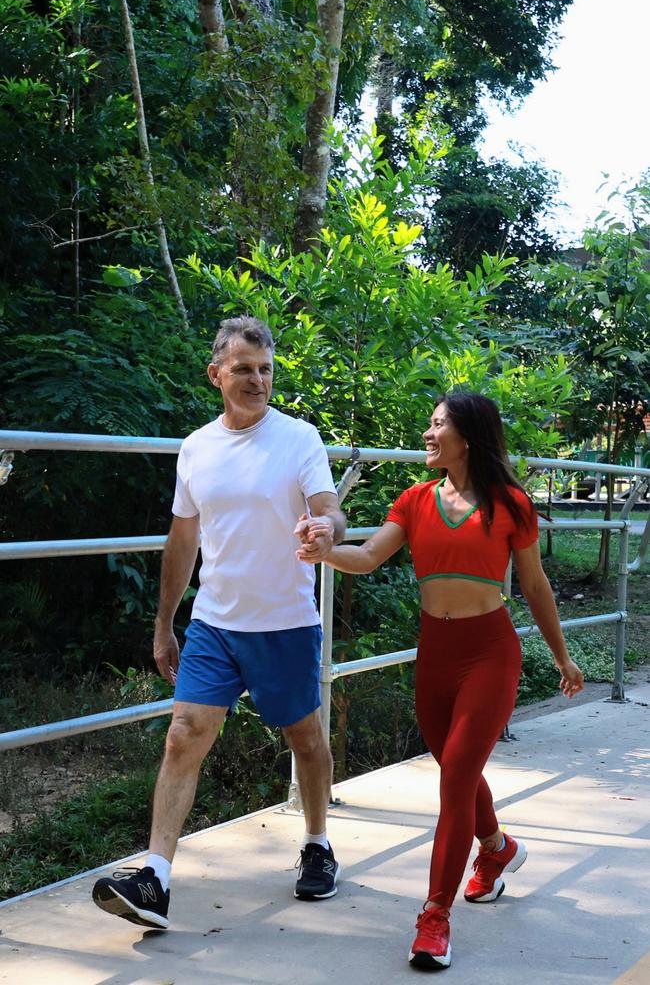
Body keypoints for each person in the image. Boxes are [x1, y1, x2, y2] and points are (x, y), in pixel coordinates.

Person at [297, 391, 584, 971]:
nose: (427, 435)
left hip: (489, 652)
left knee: (456, 776)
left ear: (467, 437)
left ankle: (434, 917)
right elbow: (371, 555)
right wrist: (327, 549)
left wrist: (563, 658)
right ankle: (497, 850)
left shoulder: (510, 505)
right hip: (436, 654)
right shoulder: (415, 499)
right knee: (456, 767)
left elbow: (534, 587)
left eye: (435, 426)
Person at [93, 315, 346, 930]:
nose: (257, 380)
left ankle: (317, 843)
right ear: (216, 375)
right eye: (243, 370)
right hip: (213, 623)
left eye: (265, 370)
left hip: (284, 622)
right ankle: (155, 877)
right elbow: (183, 538)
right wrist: (164, 621)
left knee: (305, 739)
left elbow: (330, 510)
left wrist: (326, 531)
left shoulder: (300, 438)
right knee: (184, 731)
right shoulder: (196, 447)